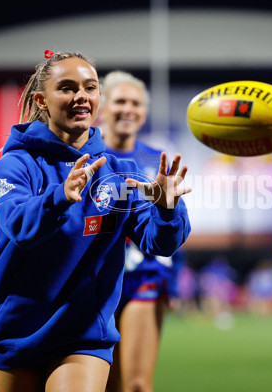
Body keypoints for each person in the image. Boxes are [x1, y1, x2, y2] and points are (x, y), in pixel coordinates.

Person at [0, 51, 191, 392]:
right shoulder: (15, 164)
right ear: (41, 101)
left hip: (83, 332)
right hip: (17, 327)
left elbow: (159, 243)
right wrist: (60, 196)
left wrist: (167, 210)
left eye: (90, 87)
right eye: (67, 87)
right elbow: (19, 226)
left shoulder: (119, 174)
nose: (81, 96)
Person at [98, 70, 186, 392]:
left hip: (143, 276)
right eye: (120, 101)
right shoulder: (86, 157)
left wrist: (174, 283)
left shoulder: (156, 162)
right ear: (102, 107)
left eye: (136, 103)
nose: (128, 109)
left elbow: (173, 228)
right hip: (94, 279)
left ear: (144, 113)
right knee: (105, 385)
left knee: (135, 384)